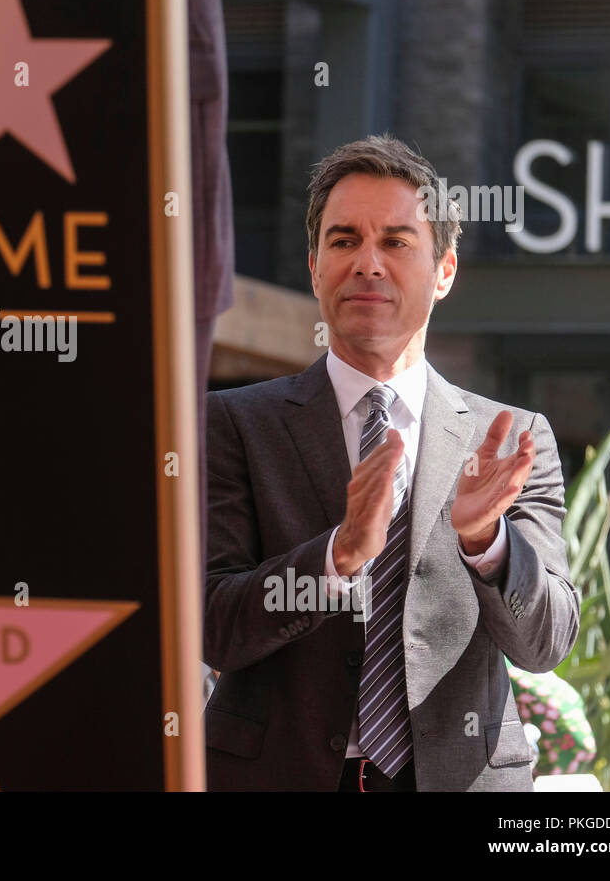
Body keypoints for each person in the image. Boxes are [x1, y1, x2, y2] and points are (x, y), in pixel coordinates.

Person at [203, 135, 581, 791]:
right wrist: (337, 556)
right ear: (316, 265)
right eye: (344, 240)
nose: (367, 263)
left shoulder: (511, 438)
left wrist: (487, 541)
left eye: (397, 241)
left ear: (445, 270)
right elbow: (213, 625)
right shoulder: (234, 424)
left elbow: (543, 641)